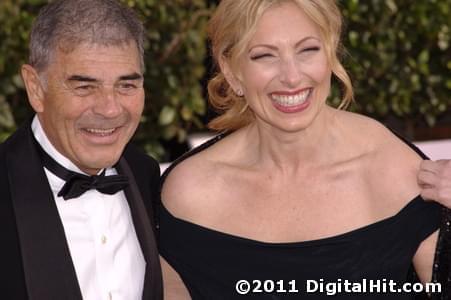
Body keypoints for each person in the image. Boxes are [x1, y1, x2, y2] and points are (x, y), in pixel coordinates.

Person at [158, 0, 447, 299]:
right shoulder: (190, 195)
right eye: (264, 56)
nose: (292, 77)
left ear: (330, 52)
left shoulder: (393, 171)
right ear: (232, 72)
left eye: (308, 50)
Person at [0, 0, 162, 299]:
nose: (110, 109)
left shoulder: (147, 176)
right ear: (36, 88)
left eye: (126, 85)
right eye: (85, 87)